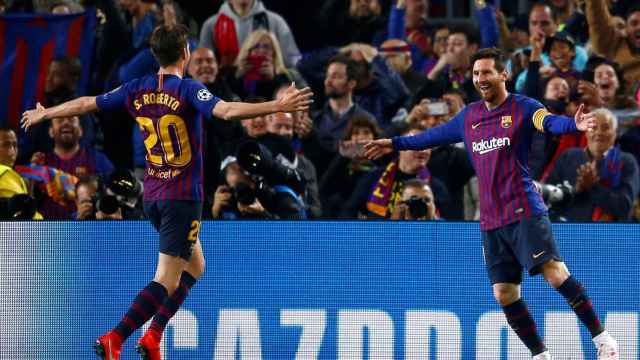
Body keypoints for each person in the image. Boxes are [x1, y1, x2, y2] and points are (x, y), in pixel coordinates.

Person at [21, 24, 312, 360]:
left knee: (195, 266)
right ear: (186, 52)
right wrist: (276, 105)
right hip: (182, 198)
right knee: (166, 279)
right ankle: (116, 337)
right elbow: (228, 111)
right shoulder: (188, 89)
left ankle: (154, 337)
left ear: (154, 55)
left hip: (154, 194)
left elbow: (88, 102)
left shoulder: (136, 87)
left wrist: (47, 113)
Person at [364, 48, 619, 360]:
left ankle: (603, 340)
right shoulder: (469, 116)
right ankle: (540, 355)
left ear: (504, 74)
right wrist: (393, 143)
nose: (480, 79)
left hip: (524, 208)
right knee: (504, 293)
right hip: (491, 219)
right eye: (475, 73)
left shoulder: (524, 107)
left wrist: (572, 125)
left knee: (555, 274)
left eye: (486, 72)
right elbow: (430, 137)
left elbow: (549, 122)